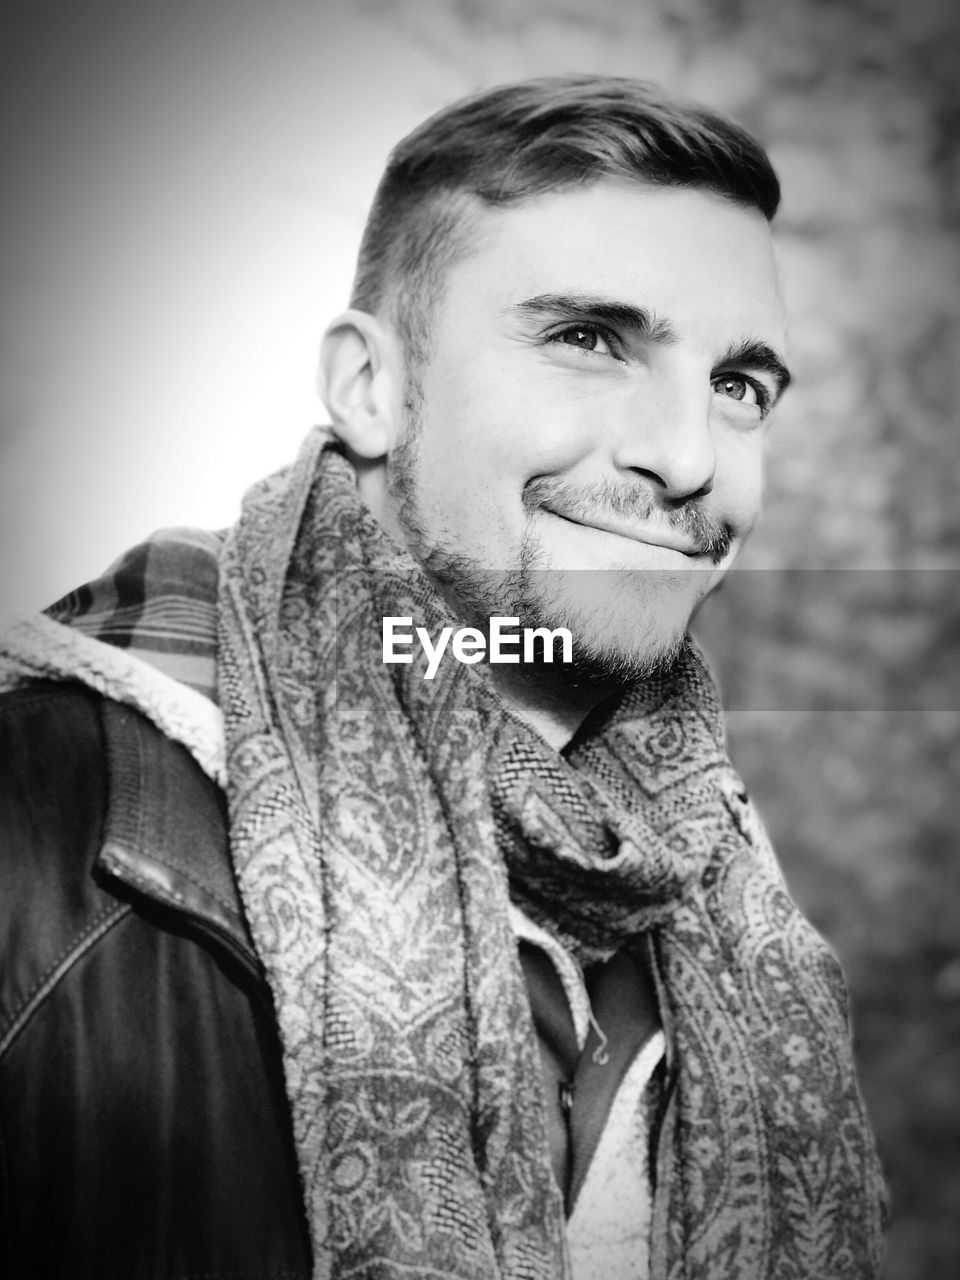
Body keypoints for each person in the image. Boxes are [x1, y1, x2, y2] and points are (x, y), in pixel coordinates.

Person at [0, 76, 886, 1279]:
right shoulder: (39, 822)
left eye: (739, 385)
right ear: (373, 386)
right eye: (589, 339)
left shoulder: (729, 894)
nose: (688, 457)